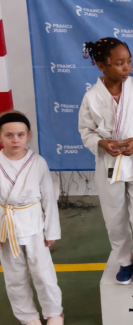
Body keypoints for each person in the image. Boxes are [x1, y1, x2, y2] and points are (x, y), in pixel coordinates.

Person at [79, 37, 133, 285]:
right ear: (101, 66)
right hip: (109, 164)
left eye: (128, 62)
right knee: (115, 218)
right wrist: (102, 143)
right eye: (119, 63)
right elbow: (86, 130)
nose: (126, 68)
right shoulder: (91, 97)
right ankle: (125, 261)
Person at [0, 110, 64, 325]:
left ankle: (54, 313)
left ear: (29, 135)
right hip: (5, 228)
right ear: (0, 136)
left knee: (44, 274)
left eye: (20, 134)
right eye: (9, 135)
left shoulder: (38, 162)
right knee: (14, 277)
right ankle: (28, 317)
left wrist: (51, 230)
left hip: (34, 225)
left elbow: (48, 198)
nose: (15, 140)